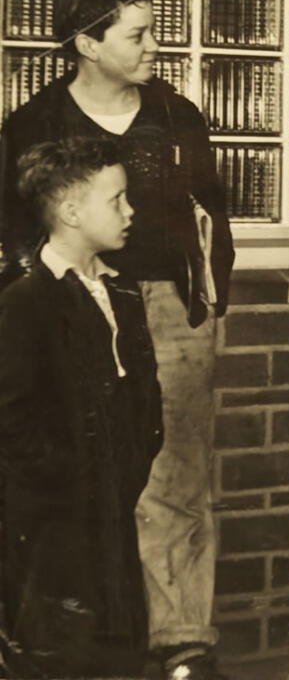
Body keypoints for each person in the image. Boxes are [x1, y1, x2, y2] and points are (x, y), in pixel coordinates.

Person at [0, 0, 234, 680]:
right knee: (87, 474)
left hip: (168, 313)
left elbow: (213, 216)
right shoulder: (33, 127)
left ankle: (183, 645)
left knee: (177, 478)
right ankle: (101, 647)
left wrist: (207, 299)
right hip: (75, 314)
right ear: (87, 44)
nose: (154, 46)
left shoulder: (176, 115)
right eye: (137, 34)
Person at [0, 136, 162, 678]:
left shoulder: (121, 290)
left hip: (110, 515)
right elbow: (12, 424)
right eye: (116, 199)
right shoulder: (25, 302)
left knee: (119, 643)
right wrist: (71, 478)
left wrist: (132, 462)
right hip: (53, 529)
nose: (130, 210)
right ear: (70, 212)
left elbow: (142, 399)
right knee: (60, 650)